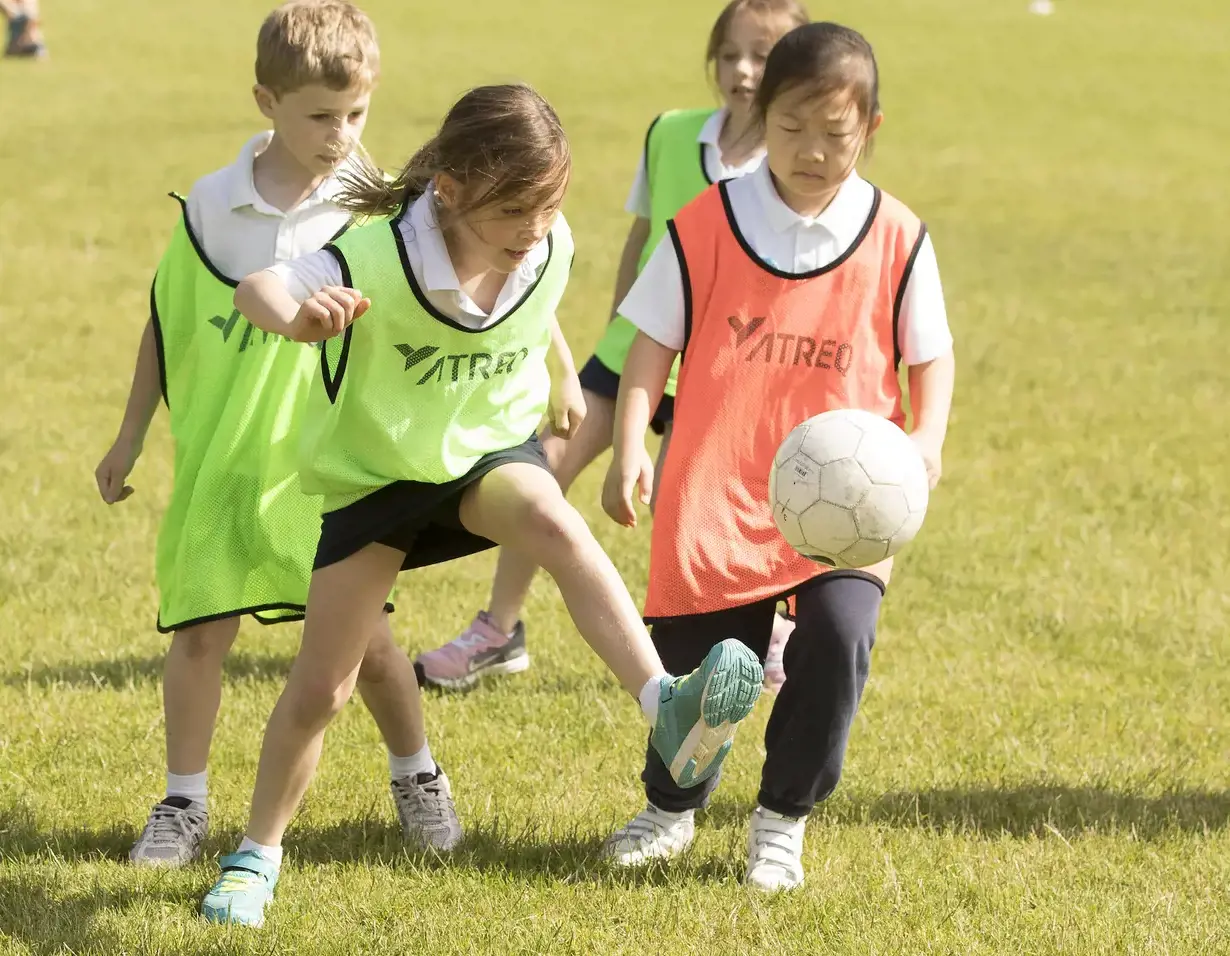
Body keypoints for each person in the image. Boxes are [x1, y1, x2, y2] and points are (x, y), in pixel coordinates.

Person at [199, 82, 764, 927]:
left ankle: (667, 704)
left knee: (550, 521)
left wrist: (564, 370)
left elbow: (535, 300)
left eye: (549, 206)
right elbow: (259, 287)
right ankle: (256, 856)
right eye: (516, 212)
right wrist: (300, 316)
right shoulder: (379, 252)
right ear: (451, 192)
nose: (534, 229)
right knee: (323, 687)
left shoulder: (541, 238)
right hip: (373, 474)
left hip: (479, 453)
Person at [94, 0, 456, 870]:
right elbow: (164, 320)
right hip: (224, 460)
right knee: (201, 635)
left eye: (357, 114)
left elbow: (449, 298)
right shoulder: (212, 206)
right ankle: (182, 804)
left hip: (328, 467)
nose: (342, 135)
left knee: (366, 646)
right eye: (321, 116)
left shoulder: (375, 204)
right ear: (266, 100)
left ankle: (418, 774)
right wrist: (130, 434)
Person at [600, 21, 956, 892]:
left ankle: (781, 820)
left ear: (869, 128)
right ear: (761, 114)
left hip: (848, 504)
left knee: (838, 641)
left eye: (835, 136)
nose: (811, 152)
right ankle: (672, 807)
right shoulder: (708, 221)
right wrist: (627, 447)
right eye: (792, 130)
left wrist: (928, 442)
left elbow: (930, 355)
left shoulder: (898, 236)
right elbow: (649, 344)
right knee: (699, 667)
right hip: (716, 489)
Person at [414, 0, 810, 694]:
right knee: (547, 466)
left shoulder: (791, 164)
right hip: (636, 348)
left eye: (763, 56)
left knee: (728, 504)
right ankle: (497, 631)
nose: (744, 71)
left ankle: (771, 628)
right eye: (730, 55)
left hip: (725, 369)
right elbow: (641, 235)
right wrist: (618, 325)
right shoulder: (670, 133)